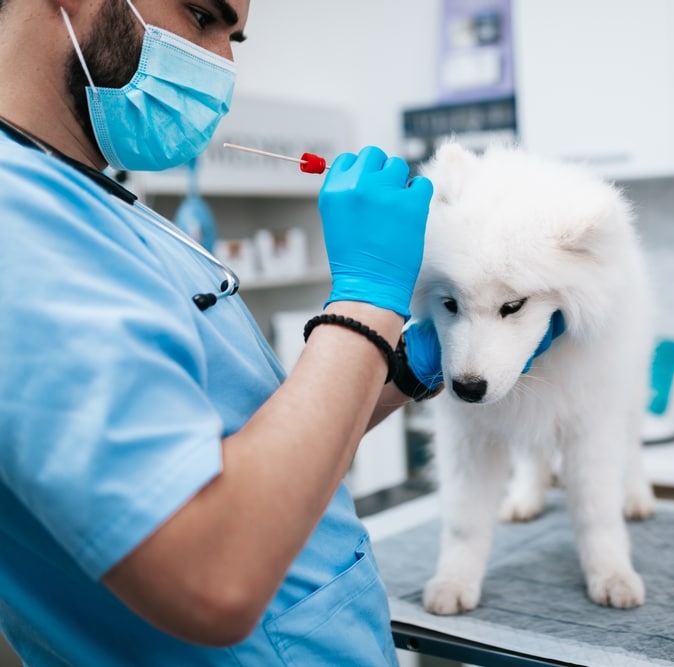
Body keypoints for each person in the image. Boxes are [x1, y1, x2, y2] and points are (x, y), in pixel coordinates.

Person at [0, 0, 447, 664]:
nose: (222, 63)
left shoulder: (96, 202)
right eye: (202, 14)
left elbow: (246, 450)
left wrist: (405, 366)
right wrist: (366, 301)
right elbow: (214, 570)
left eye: (234, 35)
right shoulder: (19, 225)